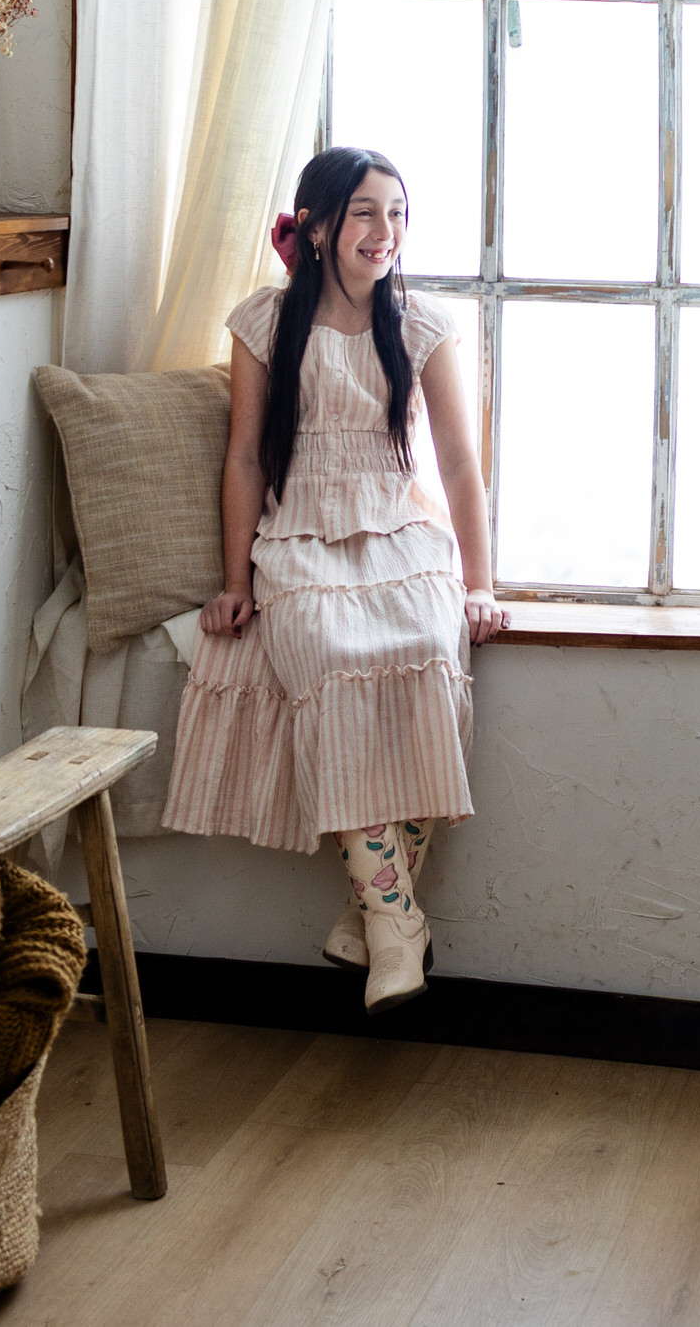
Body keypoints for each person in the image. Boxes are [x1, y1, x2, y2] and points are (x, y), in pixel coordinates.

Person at [162, 145, 508, 1010]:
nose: (383, 231)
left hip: (401, 528)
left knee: (433, 652)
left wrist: (478, 581)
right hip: (303, 530)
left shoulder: (420, 324)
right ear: (316, 226)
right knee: (323, 653)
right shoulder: (263, 323)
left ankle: (375, 923)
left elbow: (461, 462)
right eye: (364, 212)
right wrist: (235, 578)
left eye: (396, 213)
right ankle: (399, 925)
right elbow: (244, 457)